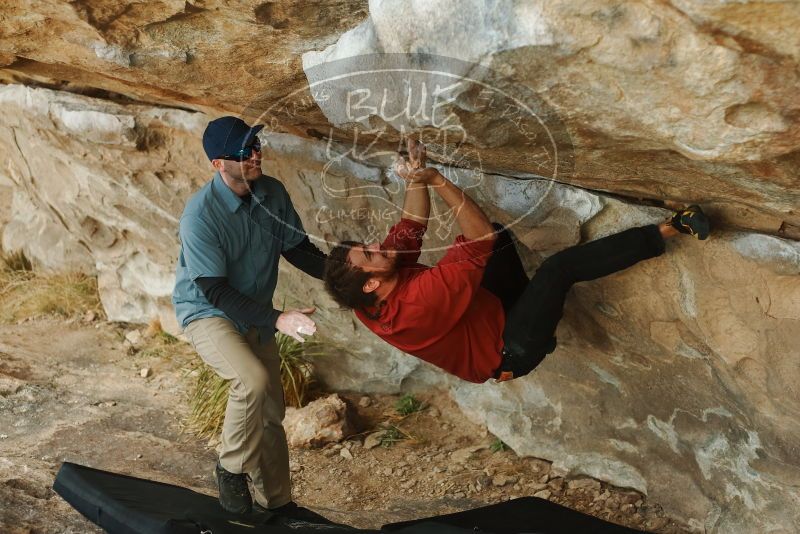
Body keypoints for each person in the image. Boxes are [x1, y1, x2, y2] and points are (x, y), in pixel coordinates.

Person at [323, 139, 710, 384]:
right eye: (371, 252)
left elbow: (410, 224)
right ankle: (670, 229)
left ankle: (529, 300)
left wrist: (416, 177)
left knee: (497, 238)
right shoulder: (416, 303)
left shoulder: (365, 295)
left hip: (489, 311)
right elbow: (478, 239)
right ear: (372, 282)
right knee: (557, 270)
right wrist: (439, 180)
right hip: (512, 350)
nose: (378, 244)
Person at [172, 116, 332, 521]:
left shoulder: (272, 192)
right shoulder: (200, 215)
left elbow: (299, 250)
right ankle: (230, 471)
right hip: (210, 312)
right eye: (244, 152)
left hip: (255, 312)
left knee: (271, 414)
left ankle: (278, 505)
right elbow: (216, 291)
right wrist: (279, 319)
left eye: (256, 146)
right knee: (251, 381)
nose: (256, 155)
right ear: (218, 165)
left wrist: (349, 276)